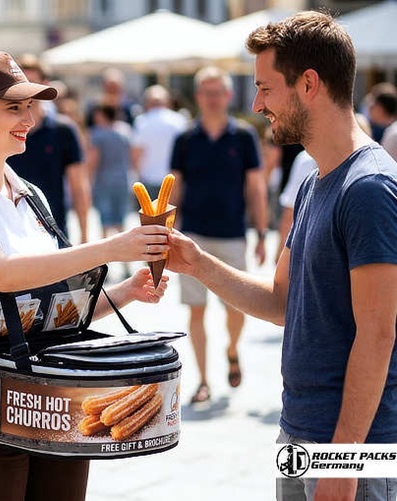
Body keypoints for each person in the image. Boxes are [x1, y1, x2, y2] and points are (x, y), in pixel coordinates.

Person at [0, 51, 169, 501]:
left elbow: (53, 311)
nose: (29, 119)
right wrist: (112, 248)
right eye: (14, 107)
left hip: (55, 399)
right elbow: (2, 274)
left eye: (29, 106)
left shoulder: (31, 195)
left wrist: (127, 291)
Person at [167, 11, 397, 500]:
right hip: (298, 432)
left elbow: (378, 335)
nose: (256, 104)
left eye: (265, 88)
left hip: (354, 448)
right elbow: (280, 302)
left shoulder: (369, 187)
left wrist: (345, 462)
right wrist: (196, 263)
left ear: (308, 84)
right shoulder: (315, 180)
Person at [169, 66, 267, 405]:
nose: (212, 99)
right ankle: (203, 380)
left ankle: (232, 349)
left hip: (232, 234)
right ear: (198, 97)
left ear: (228, 95)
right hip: (192, 235)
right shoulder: (185, 139)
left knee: (237, 307)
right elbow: (175, 187)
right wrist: (165, 230)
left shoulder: (244, 137)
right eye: (206, 93)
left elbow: (256, 187)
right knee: (196, 310)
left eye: (218, 93)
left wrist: (261, 233)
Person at [6, 80, 91, 243]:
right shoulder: (4, 132)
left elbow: (79, 186)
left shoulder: (63, 130)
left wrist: (84, 237)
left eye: (32, 84)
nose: (27, 92)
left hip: (54, 230)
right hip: (11, 234)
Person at [87, 104, 135, 280]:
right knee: (121, 224)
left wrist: (88, 181)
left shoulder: (97, 134)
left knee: (105, 224)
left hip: (104, 181)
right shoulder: (125, 131)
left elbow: (94, 160)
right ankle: (127, 266)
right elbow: (132, 156)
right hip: (122, 180)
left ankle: (104, 266)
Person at [131, 85, 188, 197]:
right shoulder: (179, 121)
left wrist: (136, 177)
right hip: (174, 180)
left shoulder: (142, 122)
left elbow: (136, 153)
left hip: (148, 179)